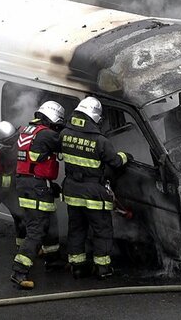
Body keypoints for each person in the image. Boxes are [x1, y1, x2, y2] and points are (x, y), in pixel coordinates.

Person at [60, 97, 132, 279]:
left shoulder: (64, 134)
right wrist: (126, 156)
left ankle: (77, 266)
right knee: (102, 230)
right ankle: (103, 268)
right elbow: (115, 162)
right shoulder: (100, 141)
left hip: (72, 190)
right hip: (93, 192)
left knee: (76, 229)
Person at [10, 101, 66, 289]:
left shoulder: (26, 130)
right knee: (37, 229)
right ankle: (19, 271)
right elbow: (64, 144)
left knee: (50, 222)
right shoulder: (47, 135)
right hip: (36, 186)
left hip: (29, 183)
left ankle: (53, 260)